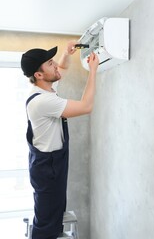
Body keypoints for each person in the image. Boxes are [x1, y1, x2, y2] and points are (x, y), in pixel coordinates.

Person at [21, 40, 99, 239]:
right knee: (46, 225)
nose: (55, 64)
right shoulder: (43, 101)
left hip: (50, 163)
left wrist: (66, 53)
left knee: (53, 215)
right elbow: (86, 106)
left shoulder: (43, 87)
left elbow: (61, 69)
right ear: (39, 75)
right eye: (49, 63)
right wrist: (93, 71)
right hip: (49, 168)